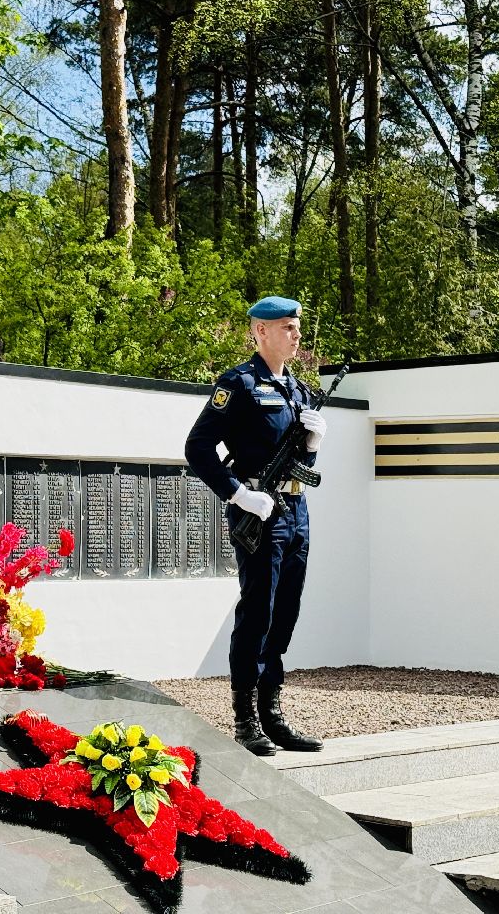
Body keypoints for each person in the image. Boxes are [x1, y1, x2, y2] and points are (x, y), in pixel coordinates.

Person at [185, 296, 328, 756]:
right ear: (260, 331)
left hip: (297, 512)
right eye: (288, 326)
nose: (296, 333)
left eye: (297, 326)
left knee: (286, 612)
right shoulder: (239, 384)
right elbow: (198, 447)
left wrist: (315, 440)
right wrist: (238, 494)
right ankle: (245, 718)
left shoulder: (299, 391)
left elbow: (302, 461)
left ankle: (274, 713)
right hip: (259, 513)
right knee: (258, 613)